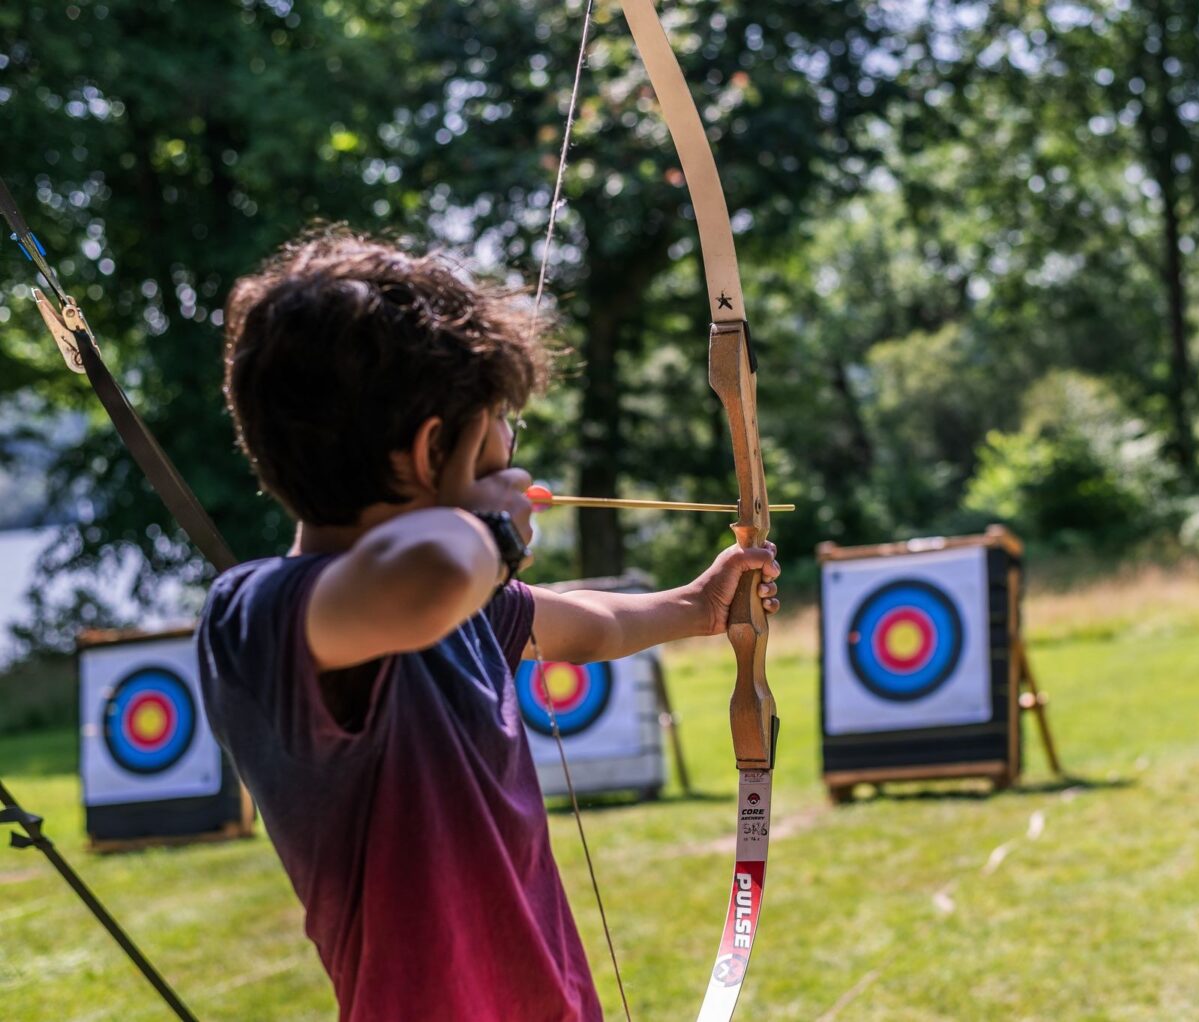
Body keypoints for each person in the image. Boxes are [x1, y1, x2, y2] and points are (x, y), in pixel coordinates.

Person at [196, 232, 780, 1021]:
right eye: (497, 423)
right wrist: (495, 531)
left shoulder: (455, 606)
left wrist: (699, 607)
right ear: (435, 446)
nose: (514, 453)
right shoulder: (263, 617)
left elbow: (585, 623)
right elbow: (428, 574)